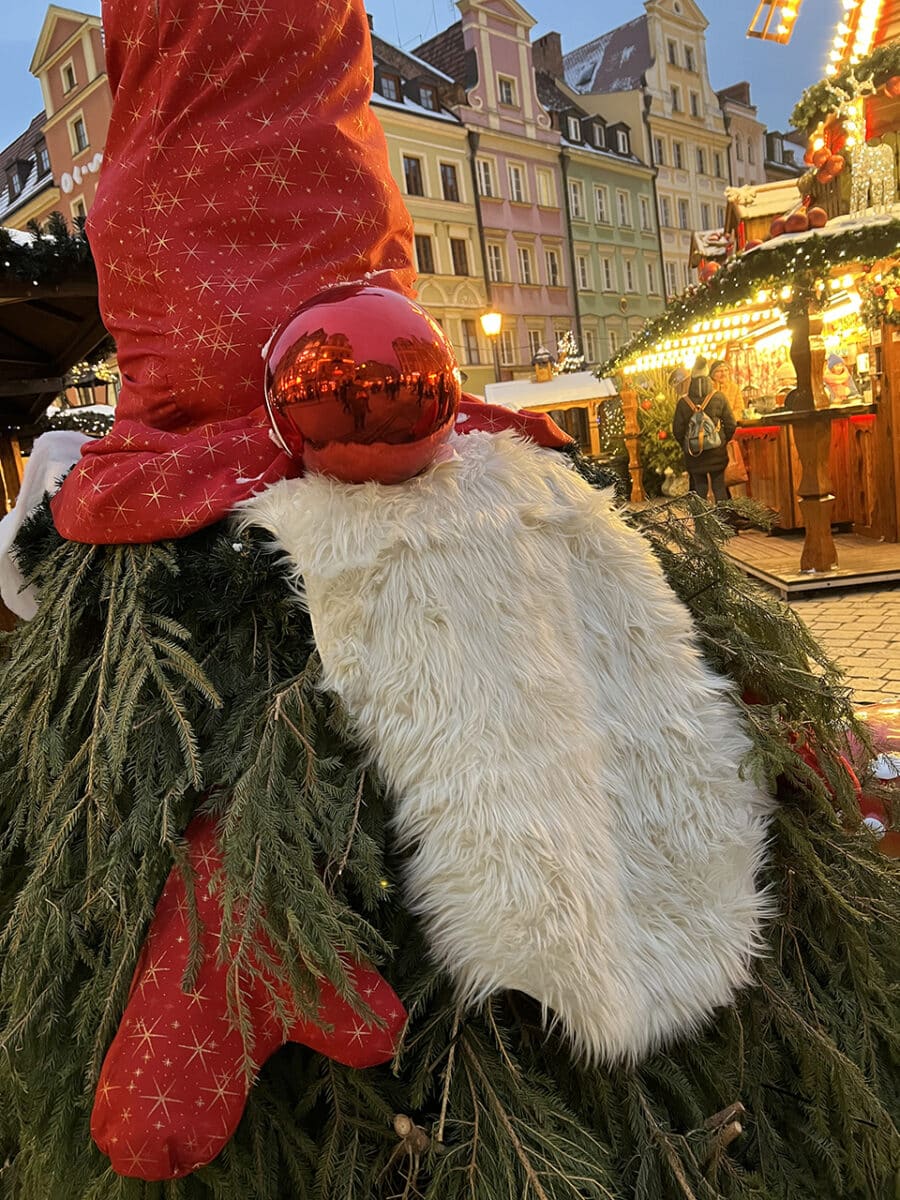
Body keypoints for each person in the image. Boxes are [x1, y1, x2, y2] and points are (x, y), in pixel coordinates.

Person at [673, 372, 736, 502]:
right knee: (719, 487)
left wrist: (688, 445)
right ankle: (723, 514)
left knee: (699, 488)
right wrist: (722, 441)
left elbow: (677, 430)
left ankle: (701, 515)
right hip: (717, 452)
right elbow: (731, 424)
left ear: (692, 382)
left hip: (694, 454)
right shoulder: (719, 397)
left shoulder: (683, 402)